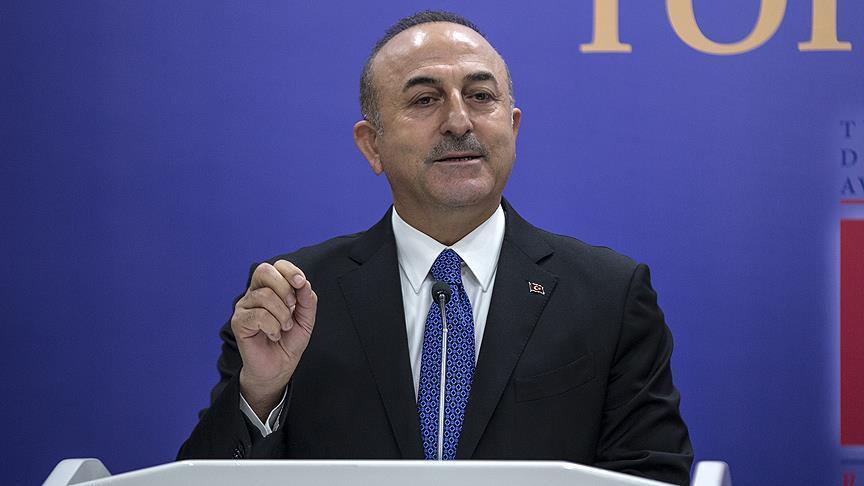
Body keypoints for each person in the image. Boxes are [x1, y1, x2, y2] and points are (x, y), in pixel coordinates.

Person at [178, 10, 693, 485]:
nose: (459, 121)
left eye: (481, 96)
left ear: (513, 128)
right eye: (425, 100)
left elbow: (652, 474)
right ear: (372, 145)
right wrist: (260, 393)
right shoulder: (294, 298)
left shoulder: (609, 295)